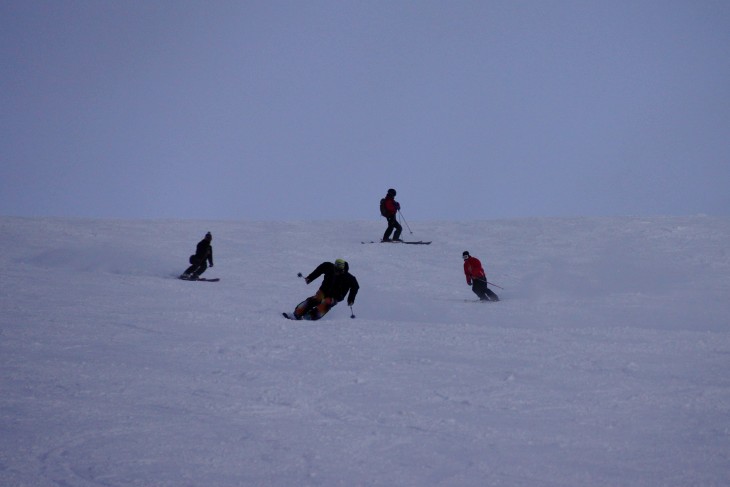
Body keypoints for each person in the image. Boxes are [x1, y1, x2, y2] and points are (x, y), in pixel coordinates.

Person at [290, 259, 359, 320]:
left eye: (339, 271)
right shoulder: (329, 267)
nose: (337, 272)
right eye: (335, 269)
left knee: (327, 302)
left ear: (343, 270)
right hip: (324, 290)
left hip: (335, 296)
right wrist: (310, 278)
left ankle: (310, 317)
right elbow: (320, 269)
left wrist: (351, 299)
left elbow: (355, 287)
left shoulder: (350, 278)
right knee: (317, 298)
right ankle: (297, 313)